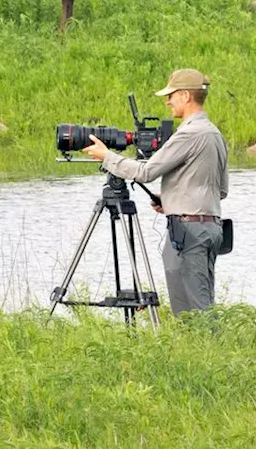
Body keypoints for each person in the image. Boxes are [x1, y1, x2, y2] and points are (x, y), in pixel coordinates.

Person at [82, 68, 229, 315]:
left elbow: (146, 172)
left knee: (195, 312)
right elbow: (220, 190)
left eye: (171, 95)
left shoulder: (189, 134)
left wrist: (107, 156)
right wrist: (171, 199)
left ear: (185, 96)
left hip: (188, 233)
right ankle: (199, 351)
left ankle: (207, 350)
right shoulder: (214, 134)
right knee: (200, 304)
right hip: (209, 228)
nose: (167, 101)